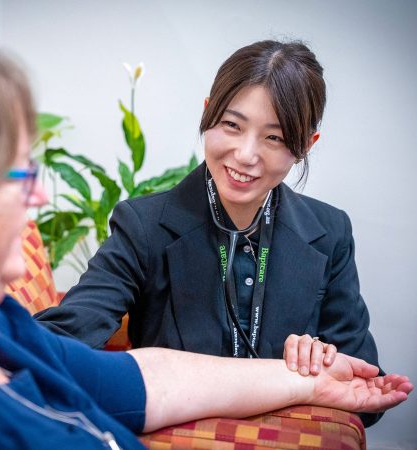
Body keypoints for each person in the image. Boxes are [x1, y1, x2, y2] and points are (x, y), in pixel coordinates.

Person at [0, 38, 411, 449]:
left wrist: (309, 378)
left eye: (275, 138)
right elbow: (74, 331)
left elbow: (141, 379)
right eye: (19, 175)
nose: (43, 200)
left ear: (304, 145)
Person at [34, 40, 384, 426]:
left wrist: (324, 359)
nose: (246, 155)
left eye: (275, 138)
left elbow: (369, 393)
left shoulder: (330, 233)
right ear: (208, 114)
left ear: (305, 145)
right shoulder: (144, 226)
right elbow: (54, 348)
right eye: (232, 125)